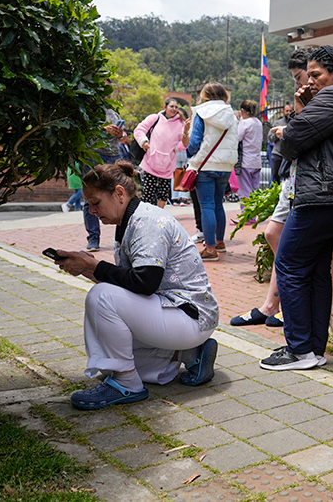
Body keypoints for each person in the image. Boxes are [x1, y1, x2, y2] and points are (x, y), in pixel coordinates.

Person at [54, 161, 220, 410]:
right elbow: (131, 281)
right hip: (175, 313)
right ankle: (190, 355)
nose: (91, 211)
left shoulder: (147, 221)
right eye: (89, 205)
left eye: (95, 202)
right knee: (109, 358)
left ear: (119, 193)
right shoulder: (129, 219)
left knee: (101, 298)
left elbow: (144, 283)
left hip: (189, 315)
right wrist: (87, 268)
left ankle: (127, 384)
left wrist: (95, 266)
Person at [258, 46, 333, 371]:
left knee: (289, 263)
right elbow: (308, 137)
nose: (311, 80)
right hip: (332, 196)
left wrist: (296, 114)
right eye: (310, 74)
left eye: (316, 74)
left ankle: (299, 349)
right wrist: (302, 111)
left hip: (321, 196)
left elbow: (291, 143)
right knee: (317, 270)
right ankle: (313, 350)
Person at [230, 47, 315, 330]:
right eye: (298, 78)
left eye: (300, 76)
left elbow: (302, 136)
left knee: (282, 239)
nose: (300, 83)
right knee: (273, 233)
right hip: (290, 174)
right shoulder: (305, 97)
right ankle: (271, 305)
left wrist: (286, 130)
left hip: (303, 176)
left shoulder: (319, 97)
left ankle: (284, 305)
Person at [185, 82, 238, 261]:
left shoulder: (201, 112)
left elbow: (194, 142)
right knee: (217, 205)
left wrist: (189, 154)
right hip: (225, 166)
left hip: (205, 165)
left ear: (204, 95)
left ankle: (210, 249)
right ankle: (220, 242)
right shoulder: (231, 113)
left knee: (206, 205)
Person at [83, 107, 126, 251]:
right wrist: (103, 130)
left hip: (113, 155)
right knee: (90, 196)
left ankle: (122, 236)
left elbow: (122, 137)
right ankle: (93, 238)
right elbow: (84, 132)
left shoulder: (113, 112)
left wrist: (120, 133)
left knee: (119, 195)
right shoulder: (89, 108)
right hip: (92, 154)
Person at [134, 98, 186, 208]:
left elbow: (185, 142)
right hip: (151, 162)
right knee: (148, 192)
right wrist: (143, 141)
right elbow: (139, 129)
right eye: (171, 106)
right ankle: (146, 214)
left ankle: (160, 214)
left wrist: (177, 148)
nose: (174, 109)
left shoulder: (181, 123)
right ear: (165, 107)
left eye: (176, 107)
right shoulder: (155, 118)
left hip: (168, 164)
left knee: (163, 194)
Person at [235, 99, 263, 220]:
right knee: (254, 190)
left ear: (242, 111)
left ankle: (245, 216)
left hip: (245, 161)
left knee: (244, 190)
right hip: (256, 161)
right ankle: (253, 216)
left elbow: (237, 138)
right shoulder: (258, 122)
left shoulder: (244, 123)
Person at [267, 103, 293, 185]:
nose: (288, 112)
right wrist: (278, 133)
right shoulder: (278, 123)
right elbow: (270, 138)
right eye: (287, 111)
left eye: (290, 111)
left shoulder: (295, 122)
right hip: (278, 153)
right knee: (275, 177)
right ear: (283, 111)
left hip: (290, 155)